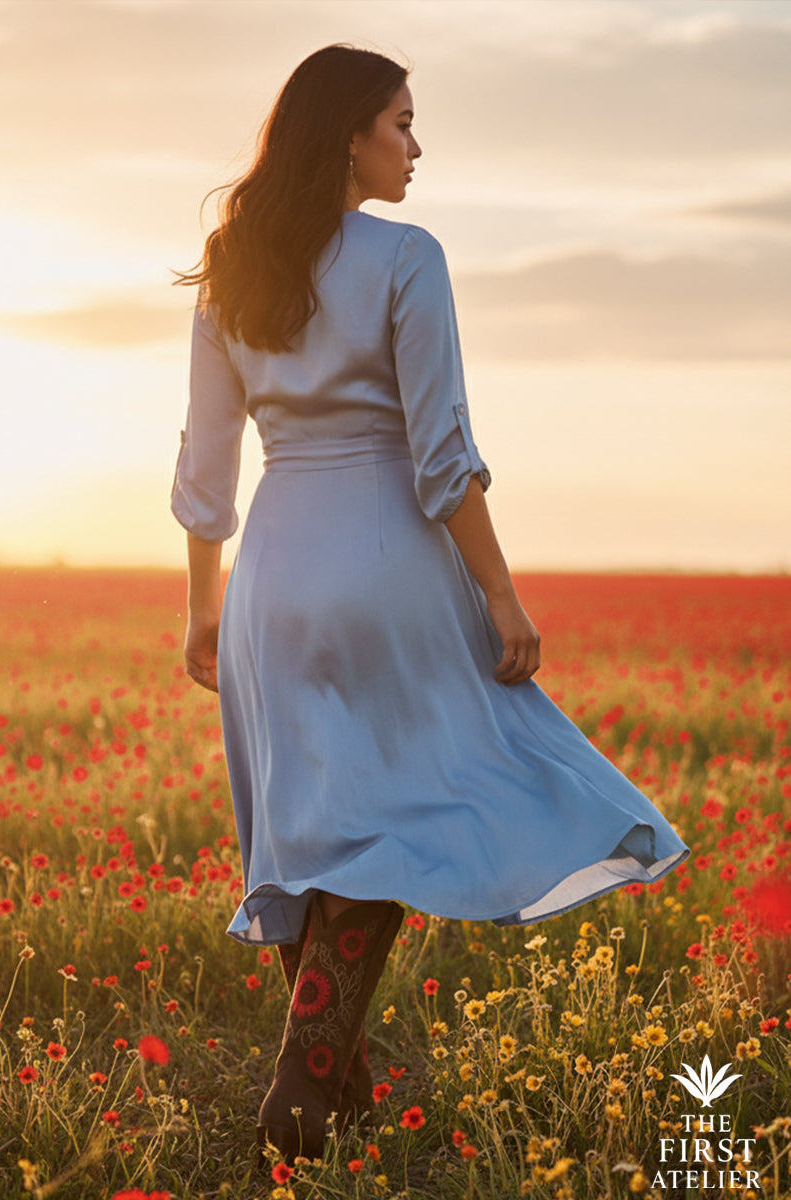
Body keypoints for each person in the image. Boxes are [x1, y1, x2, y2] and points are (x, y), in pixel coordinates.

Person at [171, 44, 689, 1164]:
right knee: (393, 821)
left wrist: (202, 612)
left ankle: (330, 1090)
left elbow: (206, 474)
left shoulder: (234, 263)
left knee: (310, 830)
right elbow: (443, 458)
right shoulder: (407, 257)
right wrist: (502, 596)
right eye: (403, 122)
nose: (417, 146)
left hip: (272, 570)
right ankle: (308, 1086)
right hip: (387, 567)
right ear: (350, 133)